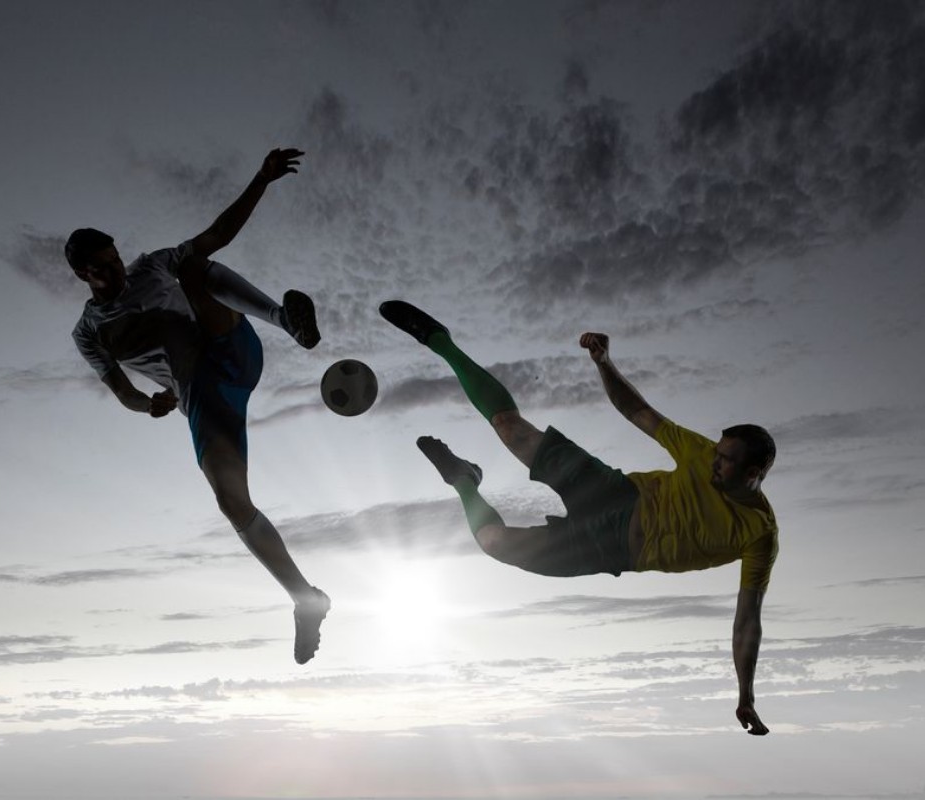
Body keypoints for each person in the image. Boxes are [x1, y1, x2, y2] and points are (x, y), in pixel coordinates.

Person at [380, 300, 778, 734]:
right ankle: (439, 340)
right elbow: (638, 411)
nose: (714, 460)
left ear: (754, 473)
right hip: (613, 493)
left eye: (726, 460)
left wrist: (745, 694)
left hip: (608, 549)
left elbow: (747, 620)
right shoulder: (701, 452)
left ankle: (463, 480)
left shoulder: (759, 534)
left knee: (493, 542)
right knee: (511, 429)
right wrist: (604, 363)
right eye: (717, 451)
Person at [66, 148, 330, 664]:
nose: (116, 270)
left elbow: (218, 234)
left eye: (116, 259)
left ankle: (285, 320)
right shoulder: (88, 331)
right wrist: (149, 404)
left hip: (228, 347)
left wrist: (262, 179)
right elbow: (121, 390)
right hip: (203, 397)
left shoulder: (151, 267)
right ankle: (306, 599)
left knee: (190, 264)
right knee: (232, 503)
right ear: (83, 274)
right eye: (103, 268)